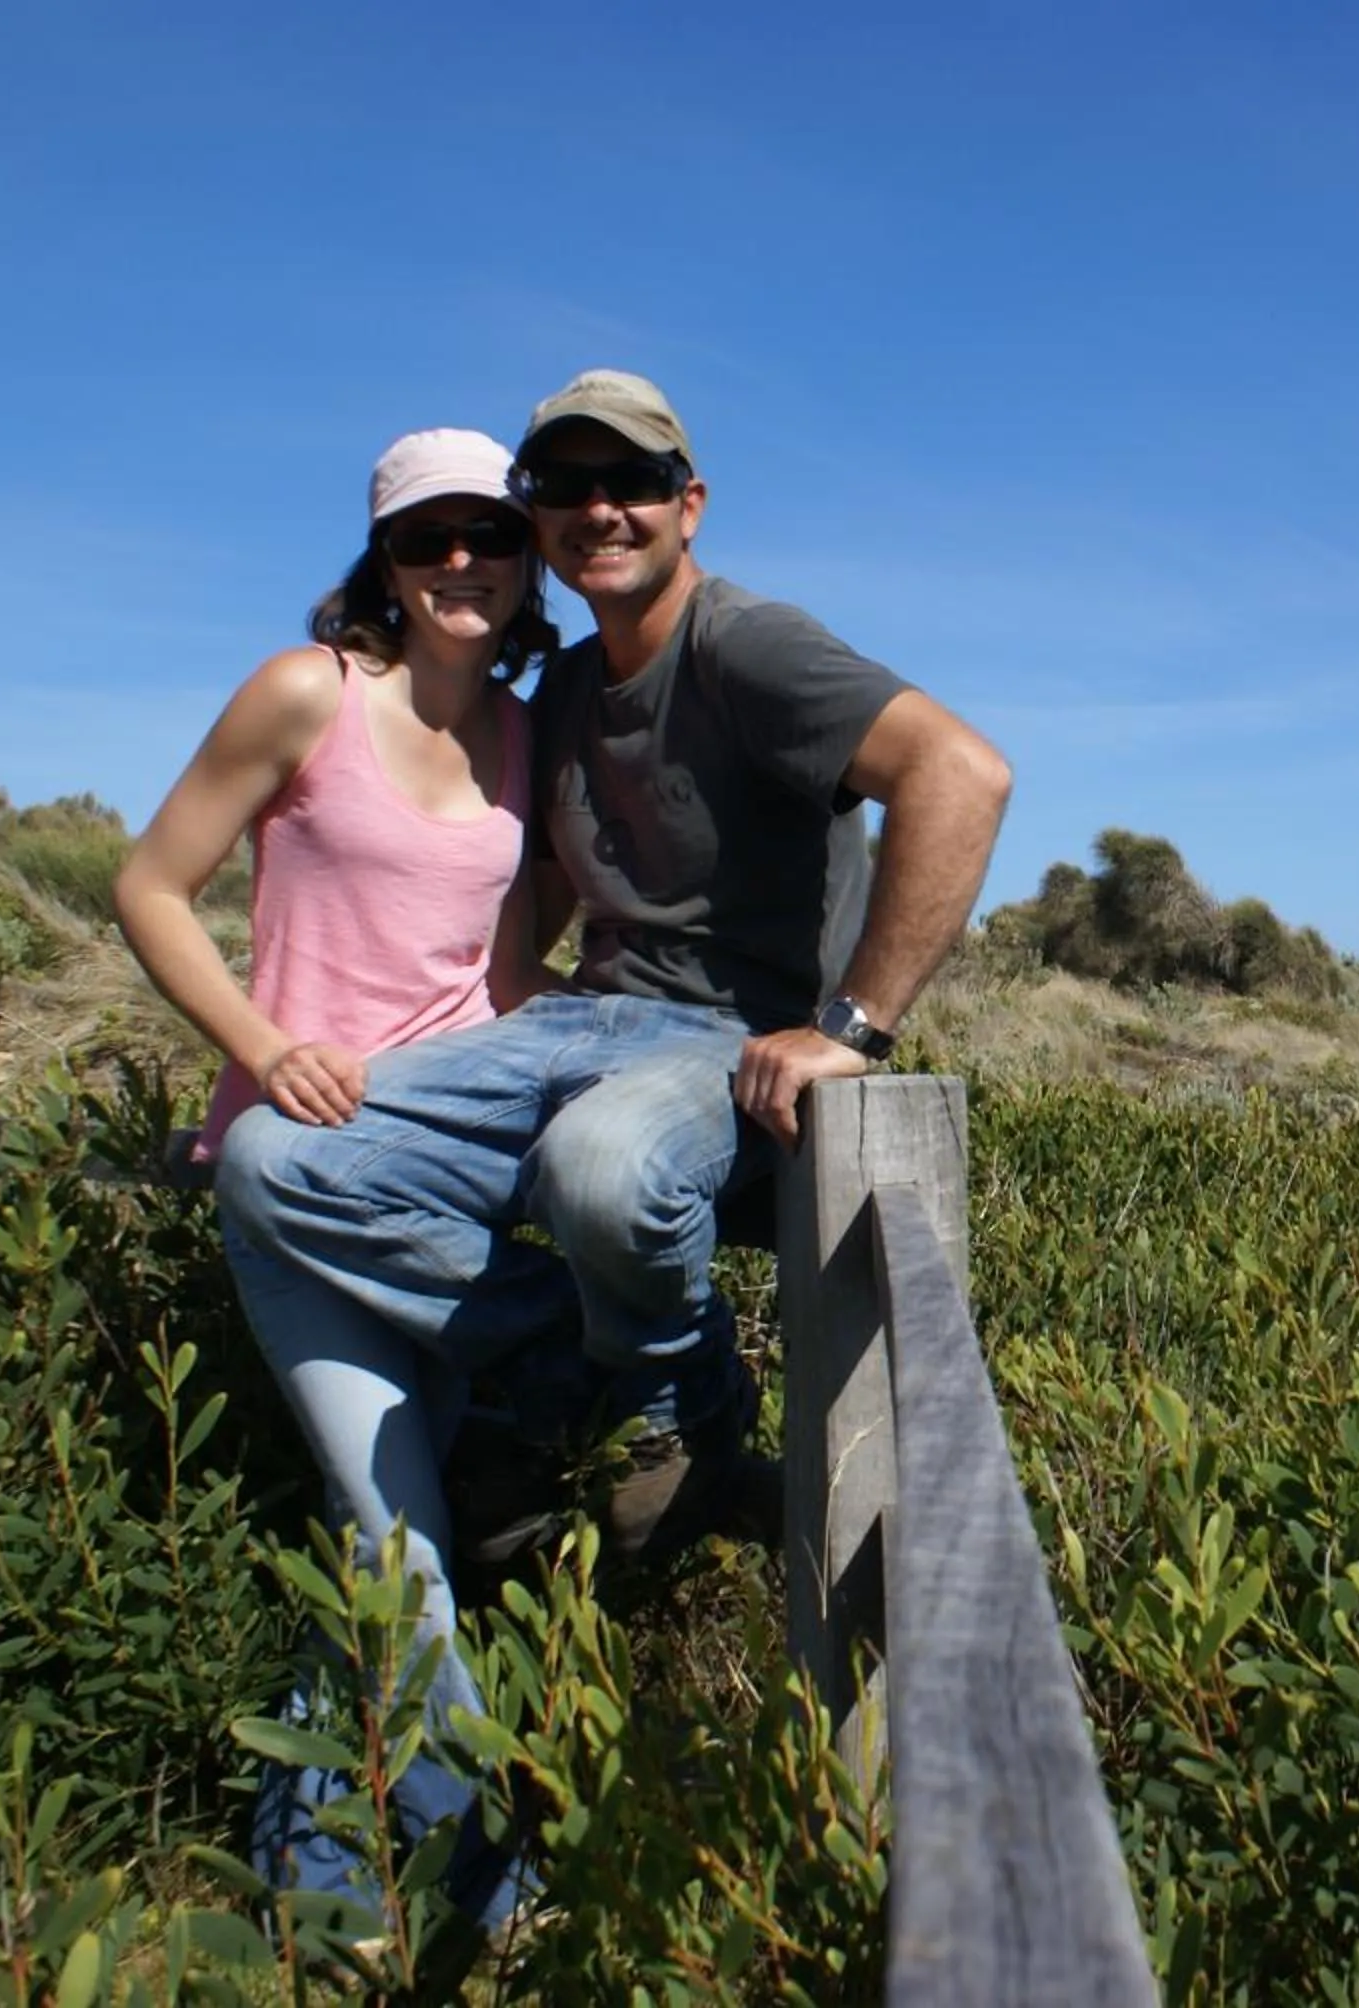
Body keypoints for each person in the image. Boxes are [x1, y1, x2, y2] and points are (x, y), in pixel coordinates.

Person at [212, 366, 1011, 1567]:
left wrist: (850, 1026)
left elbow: (961, 774)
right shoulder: (569, 686)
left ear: (687, 503)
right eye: (565, 486)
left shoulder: (748, 646)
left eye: (631, 481)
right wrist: (510, 979)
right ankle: (627, 1382)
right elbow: (531, 890)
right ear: (538, 514)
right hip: (581, 1023)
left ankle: (658, 1419)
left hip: (724, 1040)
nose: (600, 510)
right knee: (277, 1160)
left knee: (601, 1167)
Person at [114, 427, 556, 1939]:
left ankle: (322, 1886)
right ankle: (488, 1899)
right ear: (383, 555)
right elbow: (148, 883)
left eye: (486, 538)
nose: (459, 565)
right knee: (402, 1542)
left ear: (523, 556)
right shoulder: (309, 693)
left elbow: (494, 979)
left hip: (448, 1179)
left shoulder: (521, 736)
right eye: (426, 538)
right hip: (300, 1173)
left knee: (386, 1521)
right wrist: (260, 1041)